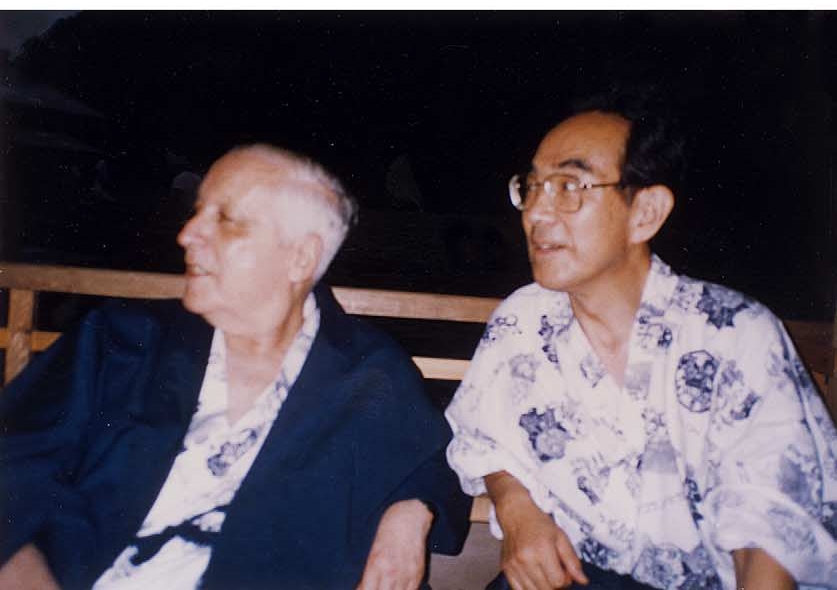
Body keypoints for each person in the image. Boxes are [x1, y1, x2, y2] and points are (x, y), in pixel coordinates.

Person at [0, 144, 470, 589]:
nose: (187, 234)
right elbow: (14, 462)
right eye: (197, 211)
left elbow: (433, 461)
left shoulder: (366, 370)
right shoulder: (123, 341)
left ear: (300, 257)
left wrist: (412, 511)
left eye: (225, 219)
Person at [446, 98, 837, 590]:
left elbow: (769, 529)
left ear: (646, 213)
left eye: (569, 186)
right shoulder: (523, 320)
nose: (537, 212)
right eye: (531, 187)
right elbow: (486, 440)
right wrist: (517, 507)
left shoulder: (733, 334)